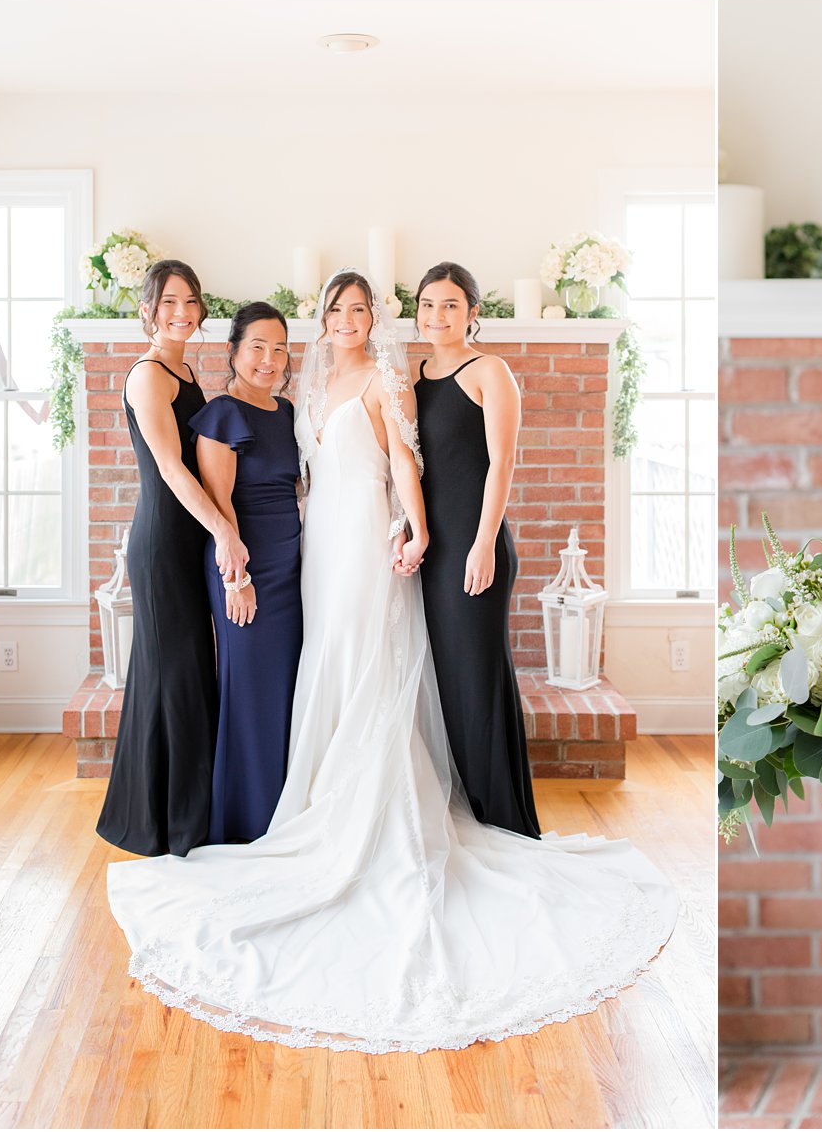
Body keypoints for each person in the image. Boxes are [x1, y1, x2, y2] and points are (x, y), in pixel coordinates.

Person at [104, 269, 676, 1053]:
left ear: (377, 319)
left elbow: (407, 463)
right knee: (326, 660)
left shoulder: (385, 377)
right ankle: (311, 794)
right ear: (322, 321)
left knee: (367, 657)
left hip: (368, 543)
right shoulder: (303, 384)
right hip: (315, 550)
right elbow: (291, 476)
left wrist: (416, 528)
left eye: (359, 309)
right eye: (336, 310)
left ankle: (373, 812)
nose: (347, 320)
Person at [96, 260, 249, 858]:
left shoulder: (184, 368)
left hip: (191, 537)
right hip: (163, 540)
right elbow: (170, 469)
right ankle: (164, 824)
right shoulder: (148, 376)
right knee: (173, 676)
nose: (182, 312)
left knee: (185, 674)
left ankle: (181, 812)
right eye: (168, 303)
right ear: (148, 310)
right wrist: (224, 533)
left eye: (190, 302)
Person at [413, 261, 539, 837]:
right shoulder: (413, 376)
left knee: (477, 677)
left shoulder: (490, 370)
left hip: (475, 546)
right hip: (431, 551)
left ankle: (504, 817)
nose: (437, 316)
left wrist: (484, 542)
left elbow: (502, 463)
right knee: (445, 681)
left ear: (473, 313)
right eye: (428, 305)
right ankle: (465, 806)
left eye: (450, 305)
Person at [192, 303, 301, 844]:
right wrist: (238, 579)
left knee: (285, 690)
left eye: (279, 347)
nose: (269, 358)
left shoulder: (285, 412)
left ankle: (284, 809)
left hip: (293, 567)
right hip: (247, 569)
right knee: (251, 690)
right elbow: (220, 508)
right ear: (233, 350)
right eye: (257, 345)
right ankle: (245, 821)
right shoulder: (220, 414)